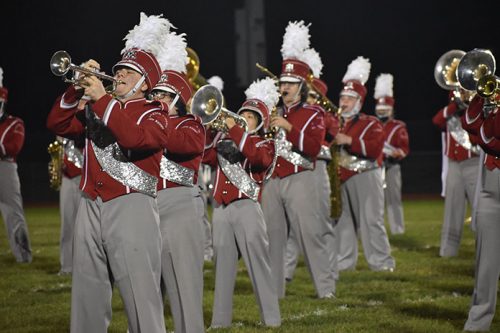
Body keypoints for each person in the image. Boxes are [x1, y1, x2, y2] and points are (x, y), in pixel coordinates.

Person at [46, 13, 169, 333]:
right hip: (89, 204)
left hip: (132, 208)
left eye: (129, 71)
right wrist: (75, 90)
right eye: (119, 70)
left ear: (146, 81)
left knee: (141, 299)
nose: (120, 75)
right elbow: (56, 125)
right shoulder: (99, 108)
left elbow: (135, 139)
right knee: (87, 292)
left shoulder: (155, 113)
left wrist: (101, 99)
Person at [260, 20, 334, 299]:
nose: (285, 87)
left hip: (301, 178)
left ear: (302, 86)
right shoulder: (271, 110)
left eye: (291, 83)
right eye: (283, 82)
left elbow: (314, 147)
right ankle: (275, 291)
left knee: (309, 235)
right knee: (274, 238)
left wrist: (289, 128)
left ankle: (325, 290)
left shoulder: (314, 113)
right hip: (273, 181)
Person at [205, 78, 281, 328]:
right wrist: (209, 129)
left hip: (247, 208)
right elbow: (205, 155)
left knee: (258, 264)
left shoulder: (265, 143)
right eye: (243, 113)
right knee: (223, 267)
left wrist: (235, 130)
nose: (243, 118)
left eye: (250, 115)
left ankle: (271, 319)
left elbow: (257, 159)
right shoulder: (224, 139)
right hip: (220, 209)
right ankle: (219, 321)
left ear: (260, 121)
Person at [152, 26, 206, 333]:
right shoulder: (148, 122)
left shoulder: (191, 124)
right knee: (145, 288)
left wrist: (153, 117)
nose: (157, 98)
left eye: (164, 95)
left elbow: (184, 146)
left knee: (184, 286)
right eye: (155, 93)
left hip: (180, 207)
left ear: (179, 99)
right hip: (146, 207)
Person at [334, 56, 395, 272]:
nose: (344, 102)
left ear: (359, 102)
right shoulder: (335, 122)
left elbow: (375, 149)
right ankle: (344, 262)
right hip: (341, 176)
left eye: (349, 99)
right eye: (342, 97)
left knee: (371, 221)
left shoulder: (371, 122)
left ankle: (381, 262)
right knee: (342, 223)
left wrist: (349, 140)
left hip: (366, 175)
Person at [284, 49, 339, 284]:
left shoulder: (320, 113)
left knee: (317, 225)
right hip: (287, 173)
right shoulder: (282, 111)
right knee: (288, 231)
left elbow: (324, 139)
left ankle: (329, 276)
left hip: (314, 169)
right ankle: (285, 273)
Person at [461, 92, 500, 331]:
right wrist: (481, 97)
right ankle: (477, 323)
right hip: (491, 181)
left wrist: (492, 115)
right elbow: (470, 125)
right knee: (485, 260)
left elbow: (489, 137)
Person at [432, 88, 479, 257]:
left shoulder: (476, 114)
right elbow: (437, 121)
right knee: (452, 208)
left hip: (473, 163)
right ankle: (448, 251)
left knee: (479, 208)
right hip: (454, 164)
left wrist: (470, 104)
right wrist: (455, 105)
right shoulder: (451, 116)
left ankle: (484, 248)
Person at [0, 66, 32, 263]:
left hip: (5, 169)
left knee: (14, 214)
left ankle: (23, 256)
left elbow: (11, 148)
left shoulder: (14, 123)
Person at [374, 74, 410, 235]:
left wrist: (398, 153)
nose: (382, 112)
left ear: (391, 110)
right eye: (380, 110)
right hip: (375, 166)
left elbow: (404, 148)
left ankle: (397, 229)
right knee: (375, 200)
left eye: (385, 110)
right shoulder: (371, 124)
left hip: (392, 166)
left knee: (393, 199)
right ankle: (376, 228)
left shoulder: (398, 126)